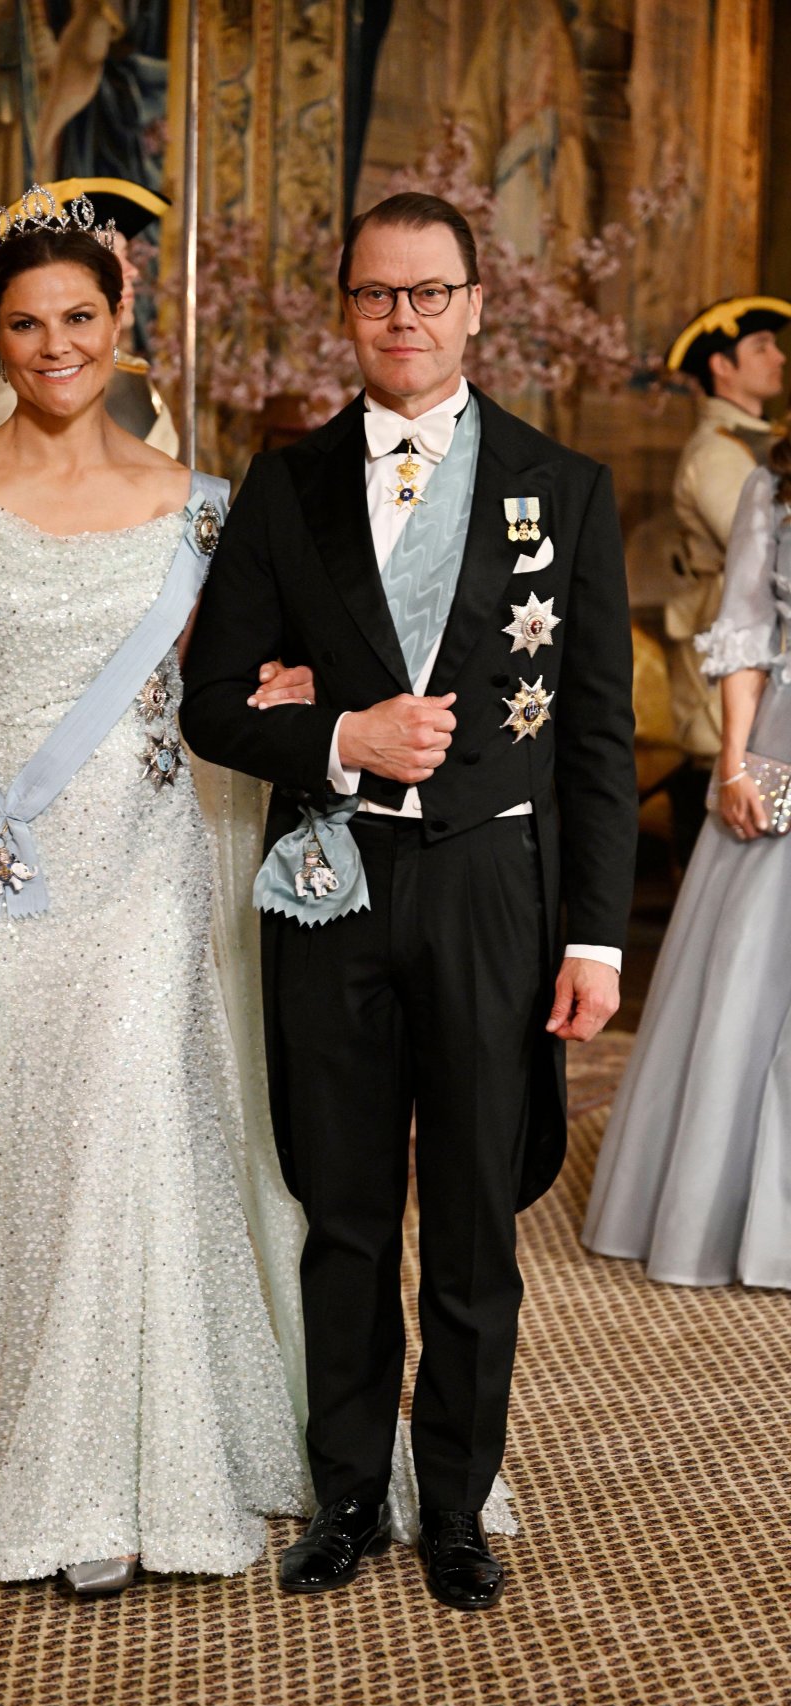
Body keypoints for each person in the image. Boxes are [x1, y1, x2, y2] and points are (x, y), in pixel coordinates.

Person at [0, 185, 318, 1596]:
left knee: (128, 1125)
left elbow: (235, 695)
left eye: (80, 319)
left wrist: (291, 689)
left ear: (124, 329)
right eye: (24, 324)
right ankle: (63, 1463)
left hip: (144, 869)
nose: (54, 346)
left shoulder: (203, 510)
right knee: (25, 1173)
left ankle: (123, 1488)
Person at [181, 190, 636, 1611]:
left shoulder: (563, 489)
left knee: (478, 1222)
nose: (406, 318)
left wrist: (599, 935)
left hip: (497, 888)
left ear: (476, 306)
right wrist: (340, 738)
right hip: (335, 883)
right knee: (346, 1207)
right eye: (380, 295)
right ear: (347, 310)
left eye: (431, 293)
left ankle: (456, 1507)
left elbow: (601, 739)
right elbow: (207, 703)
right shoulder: (284, 485)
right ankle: (346, 1498)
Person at [583, 438, 791, 1291]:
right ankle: (733, 1216)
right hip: (784, 747)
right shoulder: (770, 487)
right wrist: (735, 762)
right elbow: (744, 634)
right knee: (751, 979)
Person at [661, 296, 791, 864]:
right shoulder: (721, 453)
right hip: (736, 645)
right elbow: (756, 570)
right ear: (722, 365)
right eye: (760, 347)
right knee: (728, 815)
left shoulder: (759, 441)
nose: (780, 358)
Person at [0, 178, 176, 455]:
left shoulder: (131, 375)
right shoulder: (24, 395)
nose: (131, 272)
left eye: (78, 318)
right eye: (26, 324)